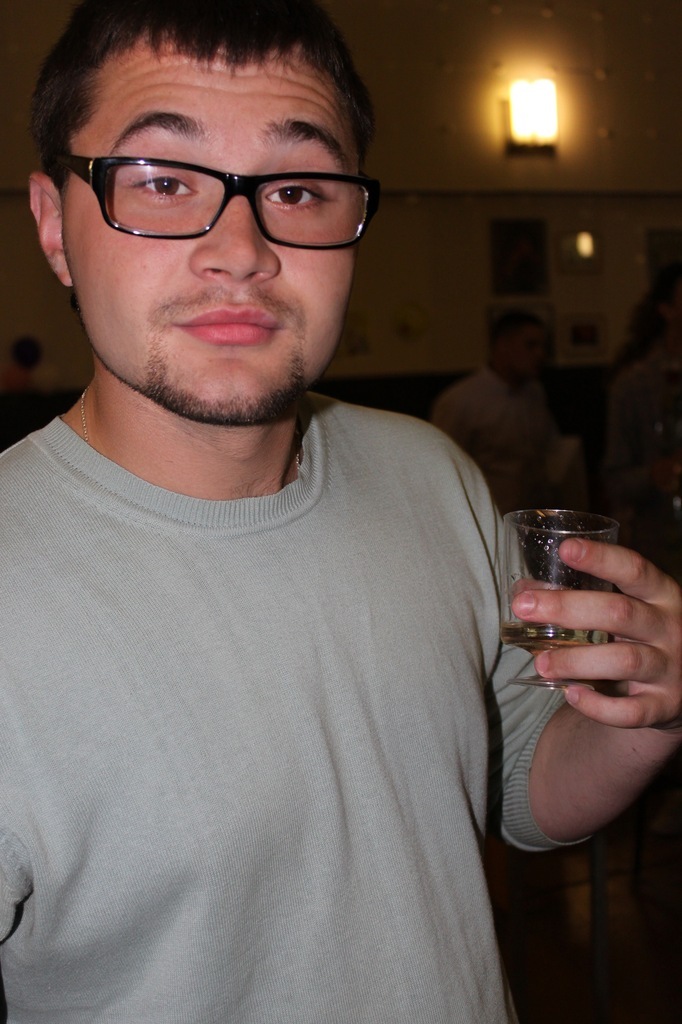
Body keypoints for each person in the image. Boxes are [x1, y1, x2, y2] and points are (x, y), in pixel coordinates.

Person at [2, 1, 681, 1020]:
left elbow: (517, 780)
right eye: (164, 180)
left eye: (298, 189)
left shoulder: (431, 473)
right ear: (56, 226)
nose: (240, 248)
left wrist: (648, 711)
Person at [430, 310, 560, 514]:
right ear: (503, 345)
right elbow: (441, 468)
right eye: (530, 345)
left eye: (543, 346)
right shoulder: (460, 401)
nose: (540, 354)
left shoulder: (534, 393)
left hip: (533, 515)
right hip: (489, 516)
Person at [604, 262, 682, 577]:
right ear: (667, 310)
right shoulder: (635, 384)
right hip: (660, 549)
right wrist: (654, 474)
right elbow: (614, 479)